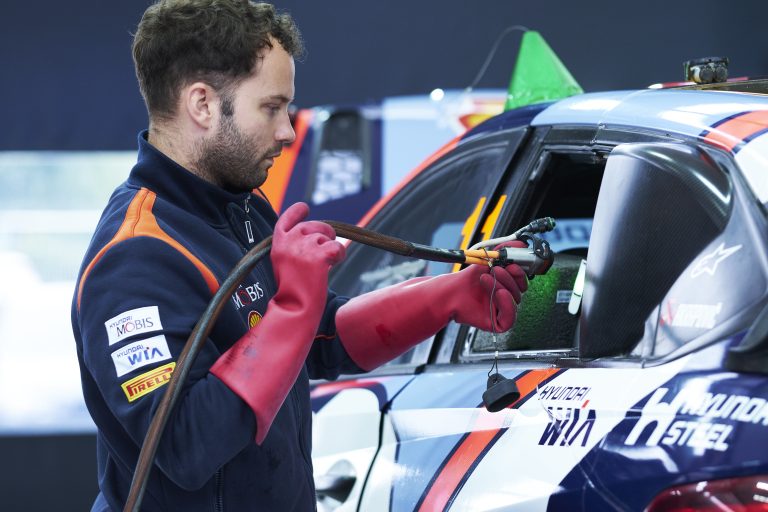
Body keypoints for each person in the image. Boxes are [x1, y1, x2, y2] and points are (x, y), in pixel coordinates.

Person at [71, 1, 528, 510]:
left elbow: (320, 339)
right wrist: (291, 308)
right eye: (272, 107)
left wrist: (444, 296)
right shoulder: (134, 257)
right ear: (202, 105)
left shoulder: (241, 207)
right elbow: (184, 445)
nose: (288, 131)